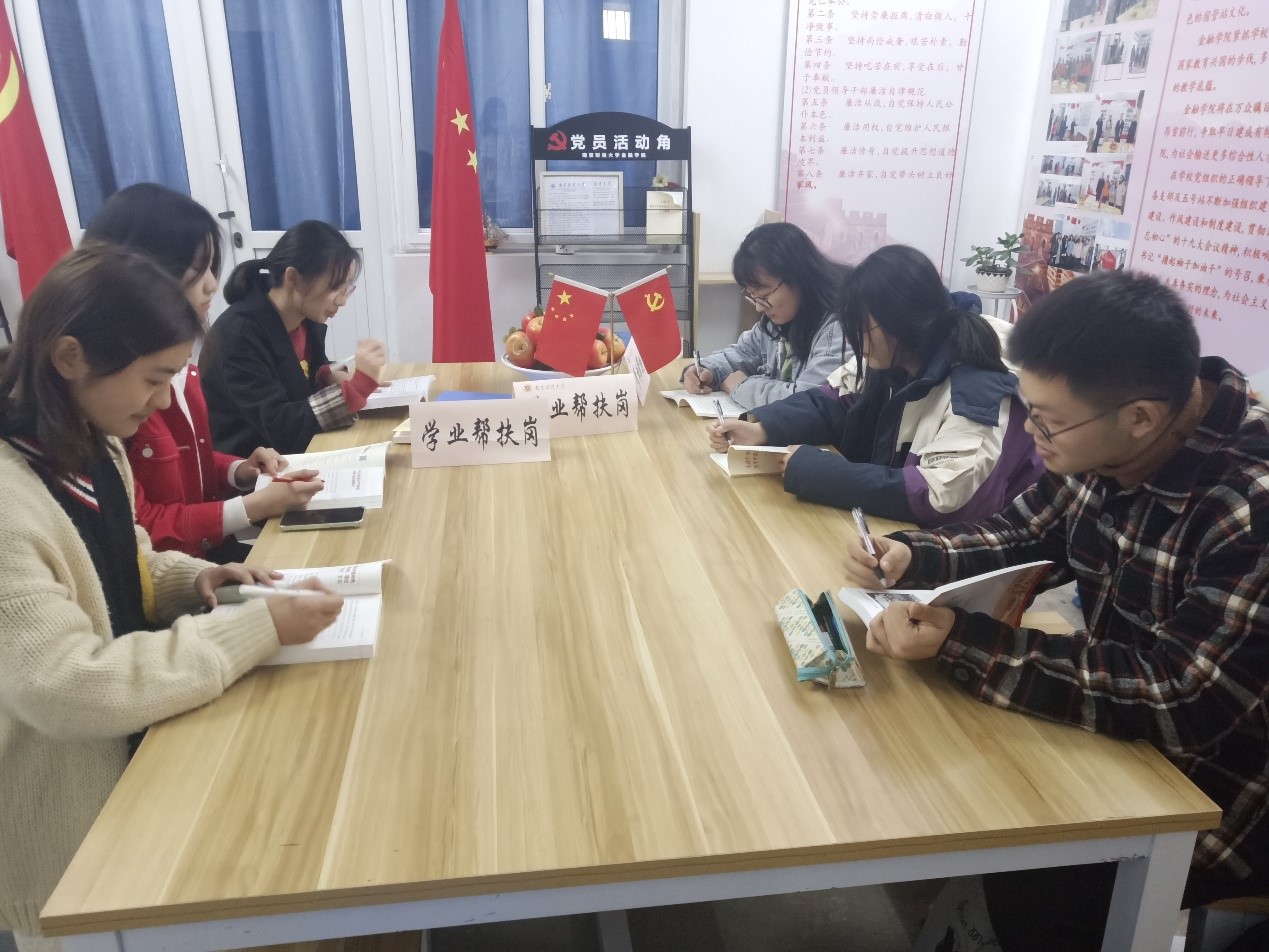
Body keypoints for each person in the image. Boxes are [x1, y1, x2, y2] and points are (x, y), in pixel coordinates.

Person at [843, 270, 1269, 951]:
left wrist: (962, 643)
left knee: (1035, 869)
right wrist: (913, 556)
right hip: (1125, 721)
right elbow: (1029, 531)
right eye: (1027, 408)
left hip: (1221, 786)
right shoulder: (1108, 438)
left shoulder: (1247, 507)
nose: (1031, 433)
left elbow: (1180, 698)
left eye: (1046, 421)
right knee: (935, 768)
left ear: (1141, 416)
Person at [0, 244, 344, 952]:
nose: (162, 402)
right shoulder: (11, 500)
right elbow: (62, 686)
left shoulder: (93, 444)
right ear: (69, 358)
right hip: (67, 829)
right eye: (153, 379)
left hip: (135, 765)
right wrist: (255, 631)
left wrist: (193, 579)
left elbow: (123, 560)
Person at [709, 245, 1043, 527]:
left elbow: (941, 495)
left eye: (861, 327)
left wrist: (819, 472)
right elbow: (831, 401)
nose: (854, 340)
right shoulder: (895, 355)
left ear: (901, 322)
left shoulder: (975, 389)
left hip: (976, 550)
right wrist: (761, 428)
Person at [82, 184, 323, 561]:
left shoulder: (178, 374)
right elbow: (143, 527)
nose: (212, 284)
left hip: (201, 557)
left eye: (212, 267)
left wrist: (239, 470)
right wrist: (253, 506)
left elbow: (189, 460)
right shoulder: (119, 396)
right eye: (196, 271)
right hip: (182, 563)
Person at [200, 220, 386, 456]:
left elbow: (304, 372)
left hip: (300, 453)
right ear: (293, 278)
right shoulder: (238, 337)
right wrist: (355, 389)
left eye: (346, 288)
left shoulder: (304, 318)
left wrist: (326, 375)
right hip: (258, 463)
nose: (342, 300)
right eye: (334, 288)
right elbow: (283, 428)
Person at [681, 222, 851, 409]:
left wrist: (741, 387)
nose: (759, 308)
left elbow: (807, 403)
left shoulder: (840, 327)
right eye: (753, 297)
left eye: (764, 296)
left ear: (799, 277)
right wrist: (706, 370)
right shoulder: (780, 319)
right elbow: (743, 353)